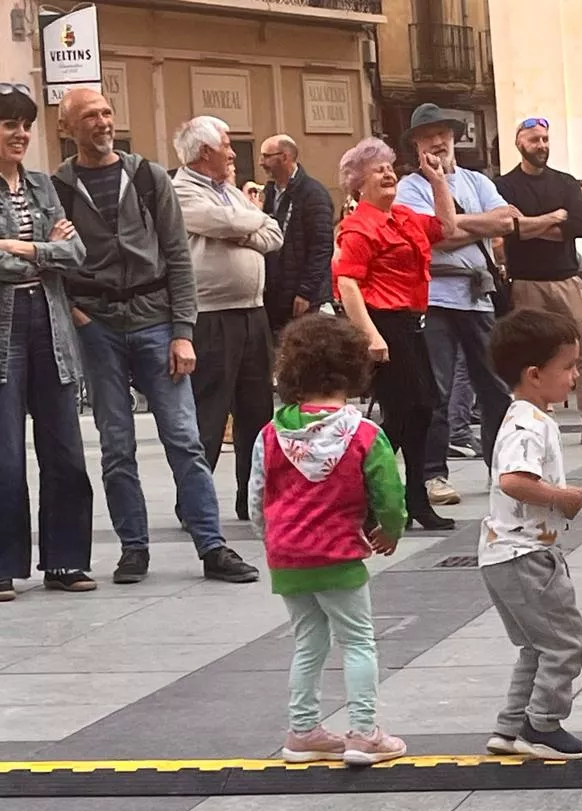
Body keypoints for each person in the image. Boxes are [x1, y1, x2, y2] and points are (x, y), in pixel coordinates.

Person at [54, 88, 258, 585]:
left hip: (155, 323)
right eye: (89, 116)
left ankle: (211, 546)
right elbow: (51, 257)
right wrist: (78, 310)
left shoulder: (147, 177)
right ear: (67, 129)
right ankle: (133, 548)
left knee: (185, 439)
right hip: (98, 326)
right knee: (116, 444)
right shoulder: (56, 187)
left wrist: (182, 332)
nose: (102, 122)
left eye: (106, 112)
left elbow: (177, 256)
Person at [248, 314, 408, 767]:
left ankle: (303, 731)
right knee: (358, 640)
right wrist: (389, 530)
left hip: (287, 555)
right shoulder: (363, 434)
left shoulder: (272, 433)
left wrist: (272, 540)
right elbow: (389, 496)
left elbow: (257, 493)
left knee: (308, 641)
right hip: (337, 553)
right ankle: (363, 732)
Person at [479, 308, 582, 760]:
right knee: (564, 641)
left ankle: (512, 725)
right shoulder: (529, 423)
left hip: (507, 555)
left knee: (535, 647)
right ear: (535, 374)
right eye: (569, 367)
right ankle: (543, 725)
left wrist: (577, 497)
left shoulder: (524, 418)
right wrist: (565, 495)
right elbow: (514, 481)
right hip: (525, 554)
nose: (575, 376)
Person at [331, 136, 462, 531]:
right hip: (382, 324)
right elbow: (348, 285)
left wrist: (438, 181)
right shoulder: (357, 228)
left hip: (409, 323)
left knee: (421, 410)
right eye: (378, 170)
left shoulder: (404, 217)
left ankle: (414, 499)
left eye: (390, 168)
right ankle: (365, 490)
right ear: (359, 185)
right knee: (406, 410)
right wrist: (370, 335)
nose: (389, 174)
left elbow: (447, 227)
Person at [395, 105, 517, 506]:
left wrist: (456, 226)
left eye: (443, 132)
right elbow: (431, 238)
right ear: (416, 143)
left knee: (496, 387)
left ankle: (502, 469)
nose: (438, 140)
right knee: (438, 388)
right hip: (435, 297)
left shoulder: (476, 180)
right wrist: (466, 227)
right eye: (428, 133)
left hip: (478, 298)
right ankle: (433, 475)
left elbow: (505, 221)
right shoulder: (410, 189)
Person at [0, 83, 94, 601]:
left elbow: (76, 251)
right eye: (9, 123)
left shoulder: (41, 184)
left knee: (64, 449)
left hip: (51, 324)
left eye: (25, 124)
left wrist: (21, 246)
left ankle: (64, 561)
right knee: (4, 454)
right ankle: (2, 565)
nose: (20, 134)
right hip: (4, 331)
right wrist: (45, 250)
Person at [172, 115, 284, 524]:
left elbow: (274, 233)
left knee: (257, 412)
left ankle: (250, 497)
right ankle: (194, 505)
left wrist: (249, 222)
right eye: (226, 144)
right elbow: (230, 222)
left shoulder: (231, 192)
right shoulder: (181, 191)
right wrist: (252, 217)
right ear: (205, 152)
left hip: (253, 312)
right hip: (211, 316)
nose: (234, 152)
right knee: (209, 413)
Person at [495, 116, 582, 444]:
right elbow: (508, 230)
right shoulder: (504, 186)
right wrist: (552, 219)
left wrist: (529, 226)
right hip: (526, 282)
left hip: (567, 279)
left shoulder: (567, 183)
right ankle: (540, 422)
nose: (541, 145)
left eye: (544, 139)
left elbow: (577, 228)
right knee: (531, 354)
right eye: (534, 140)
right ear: (519, 144)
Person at [259, 135, 334, 337]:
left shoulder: (313, 194)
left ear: (284, 157)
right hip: (276, 297)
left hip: (304, 301)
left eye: (266, 156)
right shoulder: (269, 193)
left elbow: (322, 248)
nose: (261, 163)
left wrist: (306, 291)